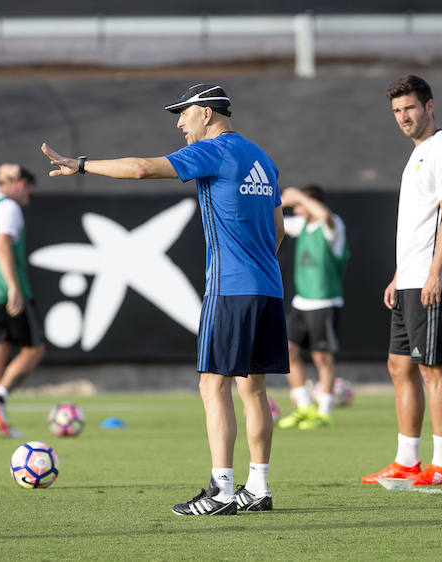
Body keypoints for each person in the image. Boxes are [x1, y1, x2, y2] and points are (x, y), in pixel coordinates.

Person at [41, 83, 288, 515]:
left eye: (184, 113)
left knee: (213, 385)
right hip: (267, 287)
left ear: (207, 114)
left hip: (230, 288)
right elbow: (279, 230)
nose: (179, 123)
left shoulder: (215, 150)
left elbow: (140, 169)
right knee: (255, 390)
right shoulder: (262, 159)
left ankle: (222, 492)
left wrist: (80, 166)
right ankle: (259, 488)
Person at [361, 75, 442, 487]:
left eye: (409, 108)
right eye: (396, 111)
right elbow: (419, 225)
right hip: (410, 279)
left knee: (434, 369)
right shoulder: (419, 153)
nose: (403, 117)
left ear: (429, 106)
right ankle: (407, 461)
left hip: (435, 281)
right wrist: (399, 275)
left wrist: (434, 273)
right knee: (399, 365)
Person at [0, 164, 46, 440]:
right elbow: (2, 245)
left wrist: (5, 173)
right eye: (28, 191)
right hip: (7, 291)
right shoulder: (8, 207)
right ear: (20, 184)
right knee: (34, 350)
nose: (28, 198)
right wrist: (13, 286)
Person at [276, 184, 349, 430]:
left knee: (322, 357)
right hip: (301, 302)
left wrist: (298, 197)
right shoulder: (302, 225)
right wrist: (282, 201)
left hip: (325, 301)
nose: (296, 210)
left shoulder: (333, 226)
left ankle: (325, 411)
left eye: (299, 205)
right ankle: (305, 406)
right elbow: (275, 222)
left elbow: (325, 216)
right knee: (287, 351)